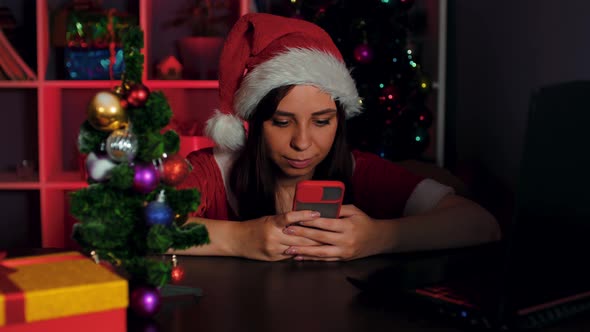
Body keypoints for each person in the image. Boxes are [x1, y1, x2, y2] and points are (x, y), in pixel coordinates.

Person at [174, 13, 501, 261]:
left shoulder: (361, 170)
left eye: (321, 122)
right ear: (255, 124)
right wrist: (239, 239)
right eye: (282, 122)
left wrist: (381, 237)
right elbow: (137, 224)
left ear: (339, 121)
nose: (302, 143)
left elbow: (480, 223)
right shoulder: (212, 172)